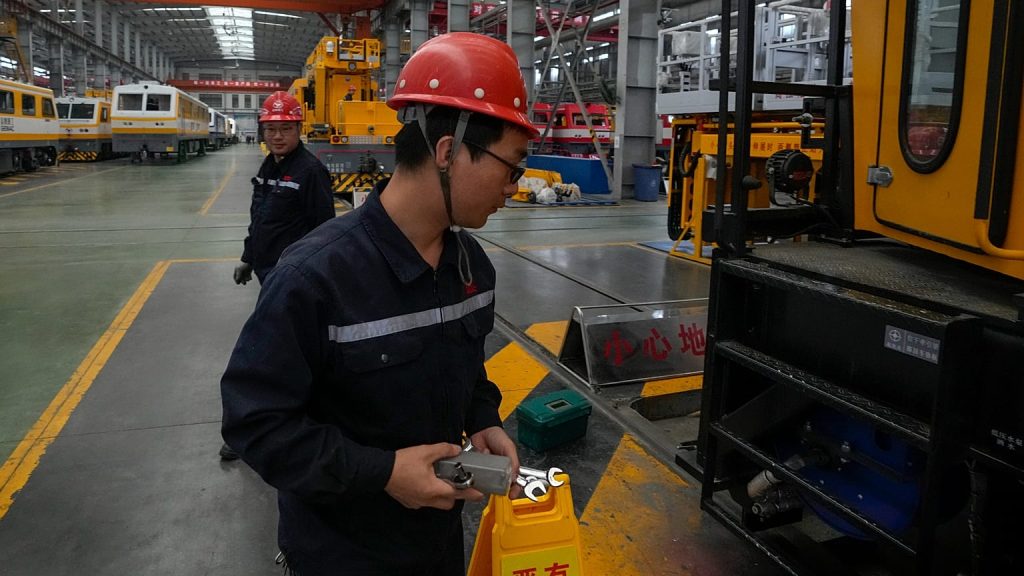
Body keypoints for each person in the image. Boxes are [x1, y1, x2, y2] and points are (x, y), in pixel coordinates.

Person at [220, 32, 536, 575]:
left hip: (436, 542)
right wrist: (383, 472)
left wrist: (482, 418)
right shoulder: (315, 278)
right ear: (447, 152)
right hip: (342, 554)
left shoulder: (471, 267)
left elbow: (465, 370)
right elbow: (256, 425)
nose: (513, 186)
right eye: (512, 167)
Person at [221, 91, 335, 461]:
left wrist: (317, 279)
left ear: (299, 129)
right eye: (271, 129)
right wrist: (247, 257)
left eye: (285, 129)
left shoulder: (310, 171)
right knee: (286, 350)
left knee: (270, 352)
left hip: (295, 279)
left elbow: (324, 230)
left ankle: (254, 428)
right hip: (268, 272)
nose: (277, 136)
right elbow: (262, 218)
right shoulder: (270, 167)